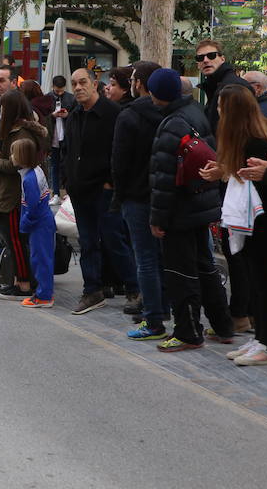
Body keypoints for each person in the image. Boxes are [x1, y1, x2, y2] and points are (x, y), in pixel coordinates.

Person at [148, 68, 233, 352]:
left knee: (180, 272)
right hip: (202, 203)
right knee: (204, 266)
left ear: (157, 94)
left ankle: (187, 332)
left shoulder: (172, 124)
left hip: (180, 212)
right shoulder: (195, 111)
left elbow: (164, 179)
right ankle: (223, 325)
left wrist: (158, 218)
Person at [201, 84, 267, 365]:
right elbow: (244, 173)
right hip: (254, 220)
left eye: (222, 107)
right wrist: (222, 171)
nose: (219, 112)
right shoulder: (249, 134)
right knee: (257, 281)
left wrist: (229, 172)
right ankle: (261, 339)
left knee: (263, 283)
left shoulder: (257, 139)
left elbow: (262, 176)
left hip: (263, 222)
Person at [63, 68, 138, 315]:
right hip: (80, 189)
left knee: (114, 240)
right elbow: (70, 150)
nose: (78, 88)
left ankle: (134, 289)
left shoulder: (113, 113)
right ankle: (92, 289)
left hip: (103, 189)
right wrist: (67, 182)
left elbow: (122, 151)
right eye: (74, 84)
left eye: (82, 82)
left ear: (95, 84)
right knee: (86, 242)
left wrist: (111, 181)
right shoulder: (74, 114)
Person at [112, 61, 168, 339]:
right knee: (160, 257)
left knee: (144, 258)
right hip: (164, 195)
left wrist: (118, 196)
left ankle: (153, 317)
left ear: (140, 84)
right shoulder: (170, 113)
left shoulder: (130, 116)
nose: (131, 84)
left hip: (137, 196)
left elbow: (119, 162)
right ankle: (162, 307)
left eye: (134, 79)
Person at [0, 90, 47, 300]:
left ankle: (23, 283)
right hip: (10, 192)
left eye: (4, 107)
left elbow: (19, 164)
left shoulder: (21, 133)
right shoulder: (17, 130)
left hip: (15, 194)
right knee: (14, 242)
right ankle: (16, 280)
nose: (1, 111)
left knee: (16, 241)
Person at [12, 137, 56, 308]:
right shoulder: (36, 170)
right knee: (43, 258)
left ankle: (44, 296)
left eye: (14, 153)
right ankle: (44, 293)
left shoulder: (29, 179)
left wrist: (25, 222)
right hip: (44, 220)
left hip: (39, 224)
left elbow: (32, 207)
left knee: (40, 259)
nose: (12, 156)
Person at [194, 39, 251, 131]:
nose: (205, 60)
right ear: (197, 64)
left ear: (222, 59)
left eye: (211, 56)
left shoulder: (234, 86)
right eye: (200, 58)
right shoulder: (214, 85)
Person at [47, 75, 74, 204]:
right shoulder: (47, 98)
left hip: (67, 136)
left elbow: (76, 114)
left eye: (61, 90)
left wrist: (68, 115)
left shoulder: (71, 98)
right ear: (52, 87)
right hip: (53, 136)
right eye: (57, 91)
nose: (59, 93)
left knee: (68, 165)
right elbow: (43, 117)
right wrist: (52, 115)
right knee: (54, 165)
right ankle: (56, 193)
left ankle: (68, 193)